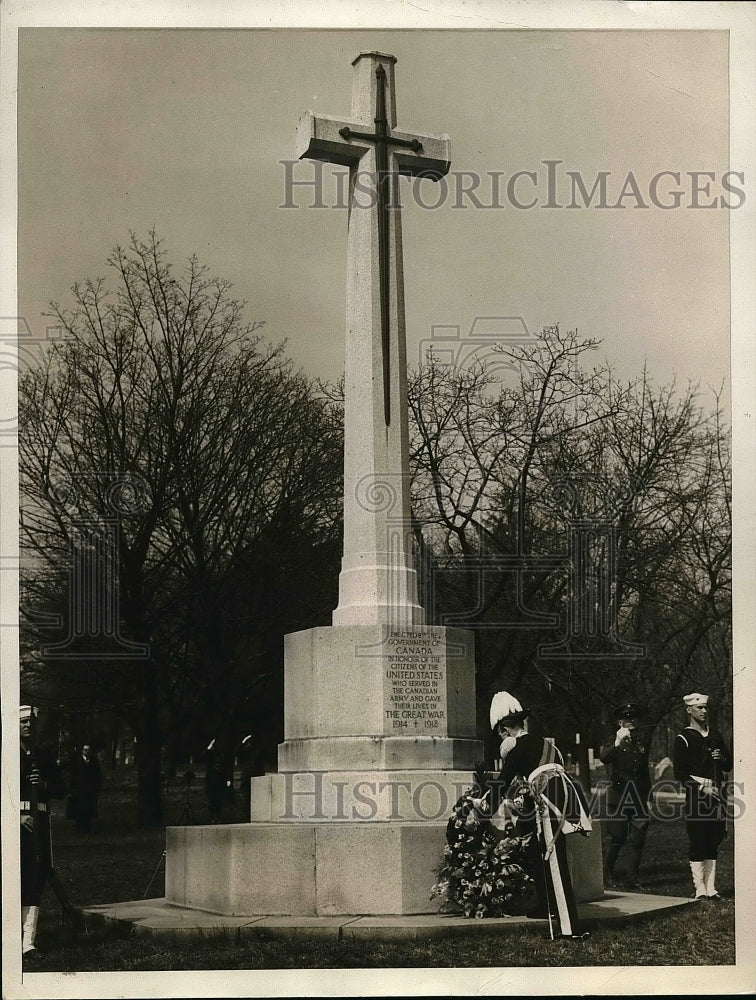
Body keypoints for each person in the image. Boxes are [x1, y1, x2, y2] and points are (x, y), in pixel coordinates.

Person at [483, 691, 592, 939]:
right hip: (566, 797)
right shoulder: (545, 743)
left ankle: (569, 929)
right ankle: (548, 907)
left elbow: (502, 783)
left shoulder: (517, 748)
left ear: (504, 730)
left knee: (555, 861)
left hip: (551, 801)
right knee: (547, 855)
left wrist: (482, 810)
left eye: (500, 734)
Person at [673, 692, 732, 901]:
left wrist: (721, 757)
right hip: (697, 795)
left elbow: (728, 764)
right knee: (698, 838)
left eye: (706, 708)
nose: (704, 711)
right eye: (699, 708)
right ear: (689, 710)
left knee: (714, 837)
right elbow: (679, 773)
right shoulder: (683, 738)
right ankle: (699, 889)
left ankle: (711, 888)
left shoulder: (715, 735)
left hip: (716, 792)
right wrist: (701, 788)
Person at [20, 705, 66, 957]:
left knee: (36, 878)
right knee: (16, 877)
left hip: (39, 825)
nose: (28, 726)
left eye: (31, 723)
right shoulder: (8, 753)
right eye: (24, 722)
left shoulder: (43, 756)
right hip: (14, 826)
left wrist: (45, 784)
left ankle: (28, 943)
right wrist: (16, 816)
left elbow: (61, 788)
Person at [599, 703, 652, 891]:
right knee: (617, 837)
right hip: (618, 795)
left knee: (638, 838)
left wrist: (649, 797)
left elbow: (644, 771)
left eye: (634, 718)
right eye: (627, 718)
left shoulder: (640, 741)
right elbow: (604, 758)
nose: (631, 721)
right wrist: (616, 743)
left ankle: (632, 879)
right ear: (619, 721)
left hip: (638, 796)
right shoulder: (611, 739)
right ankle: (607, 873)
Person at [67, 743, 103, 833]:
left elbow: (98, 775)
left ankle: (88, 828)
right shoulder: (77, 761)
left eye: (88, 750)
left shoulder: (94, 761)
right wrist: (72, 789)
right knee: (79, 810)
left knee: (89, 810)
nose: (87, 752)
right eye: (85, 750)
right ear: (82, 751)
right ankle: (79, 829)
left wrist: (97, 787)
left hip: (90, 790)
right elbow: (72, 776)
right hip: (79, 790)